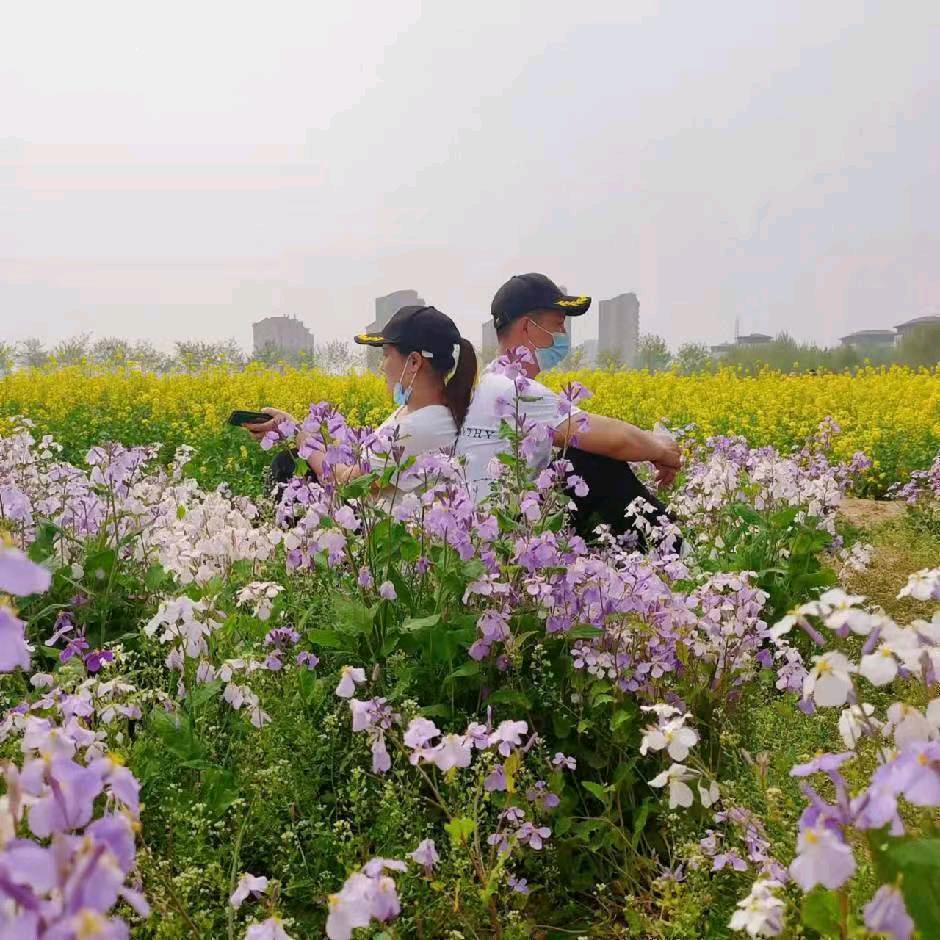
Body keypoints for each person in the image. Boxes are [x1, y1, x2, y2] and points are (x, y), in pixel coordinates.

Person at [456, 273, 682, 547]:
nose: (563, 336)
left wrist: (650, 444)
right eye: (558, 326)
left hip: (489, 529)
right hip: (504, 539)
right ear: (528, 328)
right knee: (596, 461)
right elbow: (616, 439)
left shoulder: (492, 381)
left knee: (581, 458)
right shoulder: (513, 390)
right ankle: (675, 548)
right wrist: (662, 451)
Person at [244, 305, 477, 496]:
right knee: (288, 460)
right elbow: (357, 460)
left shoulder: (419, 427)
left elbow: (345, 482)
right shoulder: (415, 414)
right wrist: (290, 427)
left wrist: (297, 433)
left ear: (414, 362)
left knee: (289, 467)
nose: (382, 367)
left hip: (383, 547)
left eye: (386, 356)